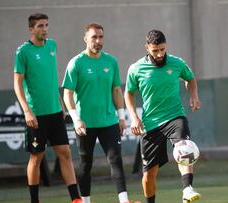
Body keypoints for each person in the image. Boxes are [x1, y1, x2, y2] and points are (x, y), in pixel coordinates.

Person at [124, 30, 202, 203]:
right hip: (151, 123)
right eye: (155, 50)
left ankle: (187, 189)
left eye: (162, 49)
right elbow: (128, 93)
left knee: (184, 147)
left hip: (175, 116)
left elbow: (190, 78)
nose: (160, 54)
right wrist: (134, 118)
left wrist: (194, 96)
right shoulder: (136, 69)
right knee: (149, 173)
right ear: (147, 48)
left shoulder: (176, 63)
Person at [13, 13, 82, 203]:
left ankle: (75, 199)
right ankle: (34, 200)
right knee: (37, 156)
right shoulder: (22, 52)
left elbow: (50, 78)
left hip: (55, 112)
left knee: (65, 153)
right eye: (40, 26)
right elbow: (17, 85)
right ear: (31, 29)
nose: (45, 29)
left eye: (46, 25)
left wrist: (61, 103)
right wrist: (27, 111)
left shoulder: (52, 45)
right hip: (36, 115)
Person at [62, 23, 130, 203]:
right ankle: (85, 201)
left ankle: (124, 200)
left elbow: (116, 90)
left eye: (101, 37)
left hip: (109, 121)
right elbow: (67, 93)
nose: (98, 41)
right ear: (85, 39)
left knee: (116, 160)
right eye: (94, 37)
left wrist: (121, 117)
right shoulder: (76, 63)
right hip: (85, 124)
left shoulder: (111, 61)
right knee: (86, 164)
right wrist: (76, 119)